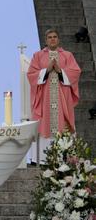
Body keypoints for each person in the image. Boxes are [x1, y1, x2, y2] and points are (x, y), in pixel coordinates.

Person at [27, 28, 81, 164]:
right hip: (45, 99)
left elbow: (75, 72)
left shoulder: (67, 55)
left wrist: (60, 71)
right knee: (44, 125)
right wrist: (46, 70)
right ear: (46, 40)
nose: (52, 39)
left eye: (55, 36)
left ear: (59, 39)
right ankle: (44, 159)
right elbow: (31, 74)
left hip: (63, 98)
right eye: (50, 37)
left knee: (64, 126)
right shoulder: (38, 56)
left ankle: (67, 159)